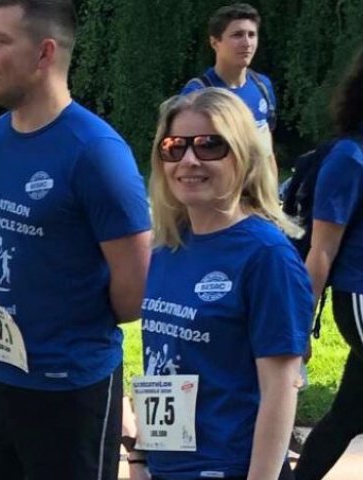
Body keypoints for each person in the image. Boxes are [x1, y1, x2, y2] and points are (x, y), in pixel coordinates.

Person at [0, 1, 152, 479]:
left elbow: (134, 292)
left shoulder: (97, 153)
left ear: (44, 53)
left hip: (70, 389)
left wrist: (64, 325)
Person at [130, 88, 310, 480]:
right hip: (167, 468)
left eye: (210, 145)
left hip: (231, 468)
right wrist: (140, 458)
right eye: (174, 147)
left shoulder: (267, 256)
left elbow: (280, 390)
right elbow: (162, 366)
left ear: (243, 156)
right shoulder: (167, 247)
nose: (189, 160)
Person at [294, 47, 363, 480]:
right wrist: (299, 326)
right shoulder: (349, 158)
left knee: (349, 414)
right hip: (359, 297)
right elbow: (320, 251)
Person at [181, 3, 277, 155]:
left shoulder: (262, 86)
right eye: (237, 35)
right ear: (215, 42)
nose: (247, 43)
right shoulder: (198, 93)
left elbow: (267, 151)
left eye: (252, 35)